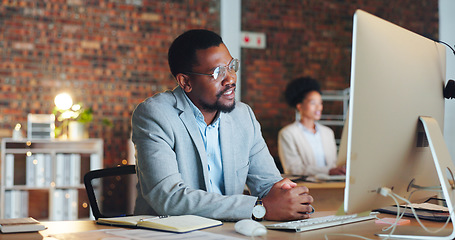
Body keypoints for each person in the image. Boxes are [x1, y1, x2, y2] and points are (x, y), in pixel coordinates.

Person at [132, 29, 313, 221]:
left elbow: (268, 184)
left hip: (228, 232)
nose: (231, 79)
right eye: (217, 72)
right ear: (185, 82)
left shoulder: (243, 116)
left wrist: (290, 199)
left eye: (232, 66)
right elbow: (169, 198)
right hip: (170, 233)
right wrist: (258, 208)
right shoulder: (155, 114)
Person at [278, 77, 346, 176]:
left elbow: (334, 163)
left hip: (331, 185)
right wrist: (328, 171)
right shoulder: (288, 134)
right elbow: (293, 168)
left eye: (320, 103)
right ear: (299, 106)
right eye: (313, 103)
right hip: (306, 187)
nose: (319, 107)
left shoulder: (328, 132)